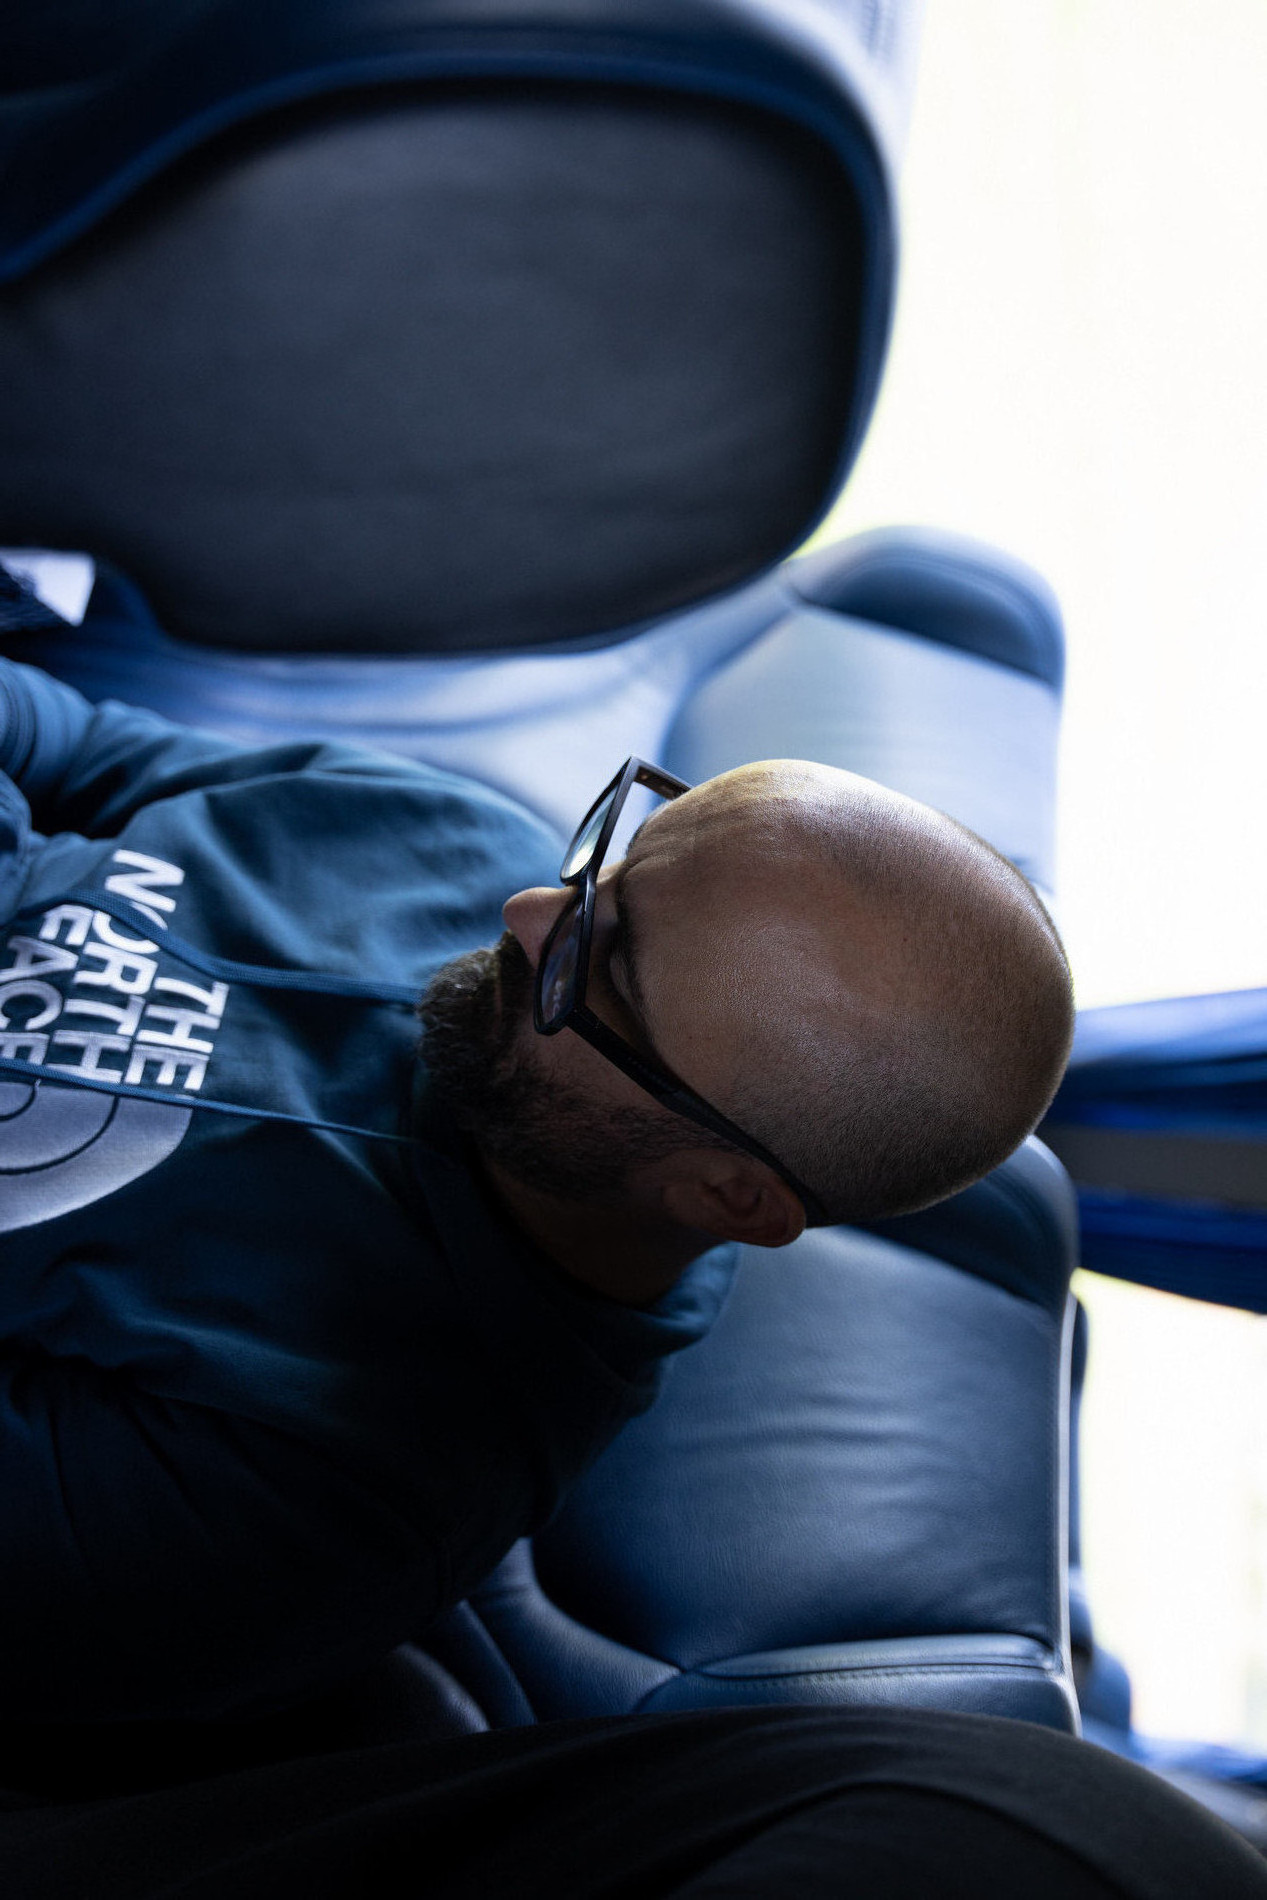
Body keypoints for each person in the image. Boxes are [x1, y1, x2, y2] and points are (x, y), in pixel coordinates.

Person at [3, 639, 1267, 1897]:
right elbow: (63, 738)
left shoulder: (315, 1485)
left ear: (725, 1194)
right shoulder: (455, 841)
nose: (525, 910)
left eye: (602, 971)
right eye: (616, 861)